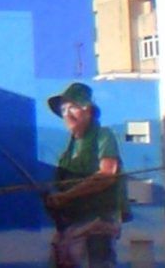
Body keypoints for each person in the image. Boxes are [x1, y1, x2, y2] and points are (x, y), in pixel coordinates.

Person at [44, 82, 126, 268]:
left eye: (73, 107)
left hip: (97, 224)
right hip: (70, 227)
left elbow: (107, 174)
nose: (67, 114)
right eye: (64, 109)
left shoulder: (103, 136)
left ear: (88, 110)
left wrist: (66, 196)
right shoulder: (68, 149)